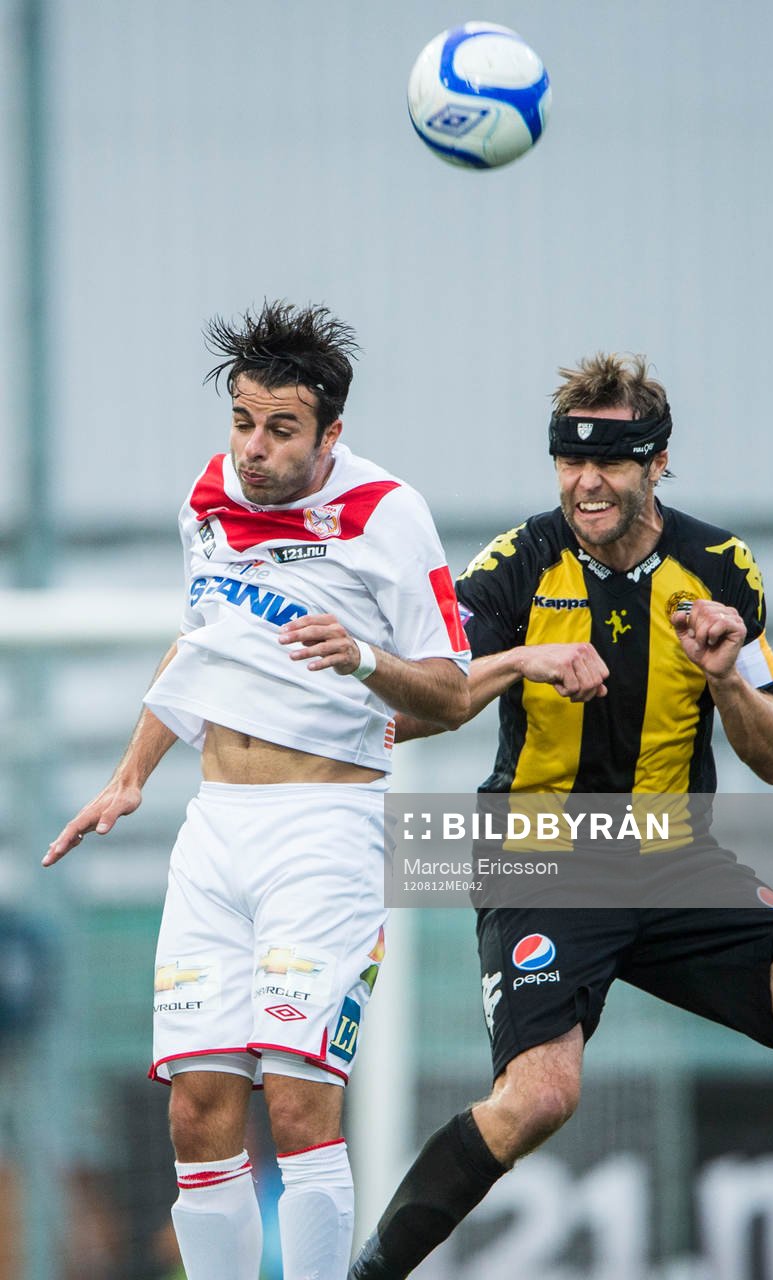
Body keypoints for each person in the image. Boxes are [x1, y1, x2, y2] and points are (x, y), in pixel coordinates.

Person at [349, 353, 773, 1280]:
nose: (586, 481)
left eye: (611, 460)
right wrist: (519, 661)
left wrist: (724, 676)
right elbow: (415, 711)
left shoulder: (718, 569)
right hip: (538, 859)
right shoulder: (512, 567)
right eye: (569, 460)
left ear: (657, 463)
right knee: (539, 1098)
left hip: (673, 861)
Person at [44, 300, 470, 1280]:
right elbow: (204, 645)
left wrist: (364, 658)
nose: (254, 448)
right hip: (214, 830)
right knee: (195, 1105)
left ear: (330, 433)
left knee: (295, 1097)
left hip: (325, 829)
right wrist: (132, 770)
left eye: (281, 428)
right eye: (242, 422)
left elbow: (449, 691)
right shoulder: (207, 497)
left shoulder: (386, 514)